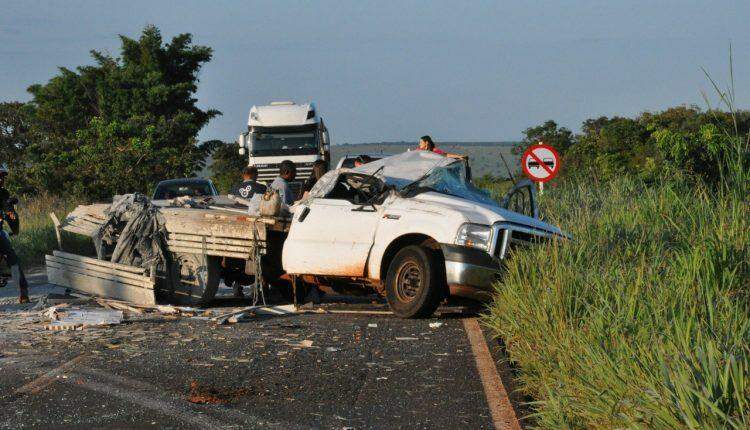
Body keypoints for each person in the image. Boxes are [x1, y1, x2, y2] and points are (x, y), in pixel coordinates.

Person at [0, 165, 29, 303]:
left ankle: (23, 292)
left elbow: (8, 210)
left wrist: (11, 213)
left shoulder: (3, 193)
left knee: (12, 259)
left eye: (2, 177)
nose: (1, 180)